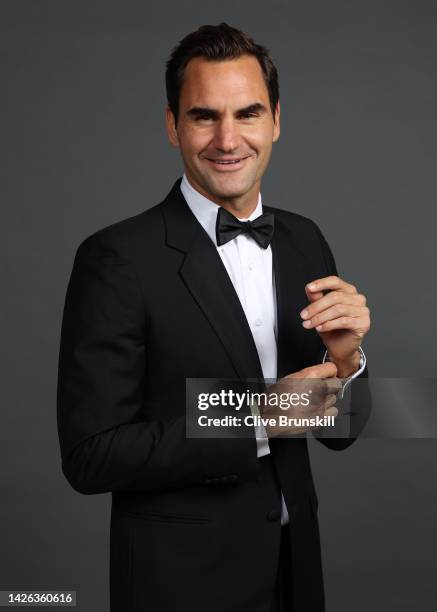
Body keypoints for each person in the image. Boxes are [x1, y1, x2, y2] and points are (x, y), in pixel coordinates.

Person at [57, 22, 371, 612]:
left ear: (275, 120)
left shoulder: (305, 239)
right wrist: (262, 414)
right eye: (204, 116)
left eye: (248, 114)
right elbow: (91, 453)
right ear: (173, 125)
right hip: (180, 585)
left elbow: (340, 434)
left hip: (296, 574)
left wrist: (347, 362)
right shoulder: (116, 258)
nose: (228, 139)